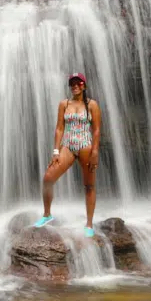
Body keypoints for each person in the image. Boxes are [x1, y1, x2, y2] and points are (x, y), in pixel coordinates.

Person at [33, 72, 102, 235]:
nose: (75, 86)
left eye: (78, 83)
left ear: (84, 85)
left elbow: (97, 130)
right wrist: (56, 151)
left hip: (86, 145)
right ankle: (47, 214)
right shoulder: (64, 104)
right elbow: (59, 128)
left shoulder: (92, 105)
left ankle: (89, 225)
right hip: (68, 146)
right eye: (72, 83)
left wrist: (95, 151)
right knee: (48, 178)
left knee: (89, 185)